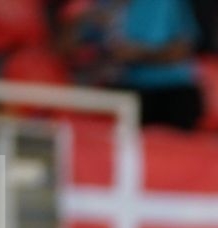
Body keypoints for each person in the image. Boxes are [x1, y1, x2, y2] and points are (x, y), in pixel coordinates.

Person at [67, 0, 205, 130]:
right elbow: (64, 50)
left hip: (170, 92)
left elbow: (183, 49)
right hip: (120, 91)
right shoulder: (102, 5)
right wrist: (83, 19)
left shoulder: (164, 3)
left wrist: (138, 54)